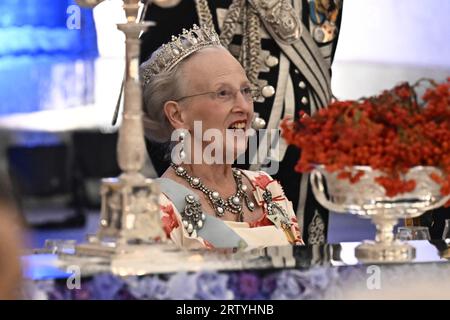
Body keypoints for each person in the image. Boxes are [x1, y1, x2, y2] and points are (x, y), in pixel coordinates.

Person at [140, 0, 344, 245]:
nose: (244, 107)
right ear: (177, 114)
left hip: (299, 169)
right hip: (243, 158)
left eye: (247, 91)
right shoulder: (159, 206)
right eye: (222, 93)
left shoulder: (267, 189)